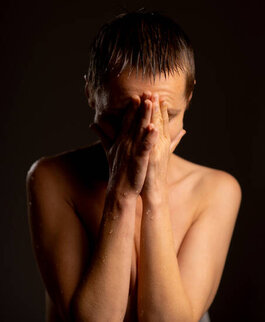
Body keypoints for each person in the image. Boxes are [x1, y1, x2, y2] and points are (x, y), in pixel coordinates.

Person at [25, 9, 241, 321]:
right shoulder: (51, 179)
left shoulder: (215, 190)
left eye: (165, 116)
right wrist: (122, 196)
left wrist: (155, 196)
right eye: (122, 118)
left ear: (189, 98)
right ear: (91, 93)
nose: (147, 136)